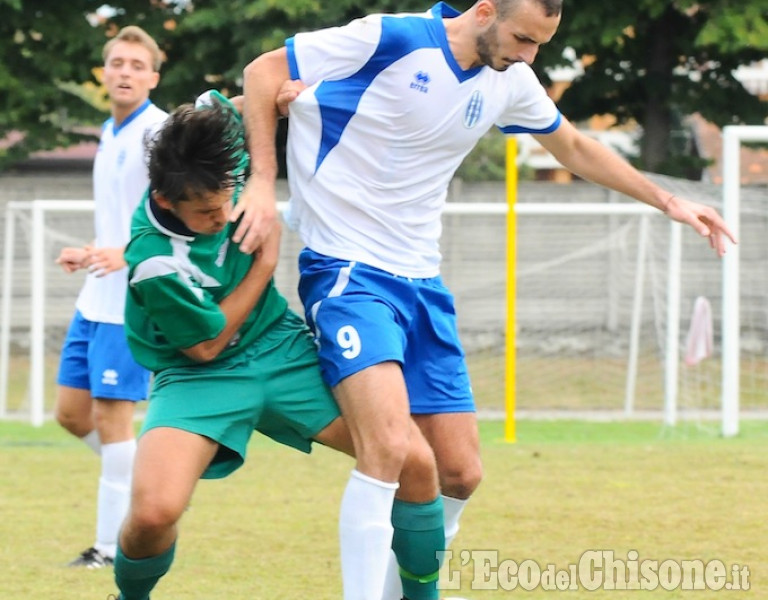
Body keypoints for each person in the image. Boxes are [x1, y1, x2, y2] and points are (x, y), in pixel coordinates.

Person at [236, 1, 738, 597]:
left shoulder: (511, 81)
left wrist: (668, 202)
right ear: (483, 12)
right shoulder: (392, 37)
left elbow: (573, 147)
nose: (529, 56)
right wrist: (264, 184)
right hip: (348, 272)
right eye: (523, 38)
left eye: (541, 45)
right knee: (390, 448)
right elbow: (264, 71)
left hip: (423, 283)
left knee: (460, 473)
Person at [110, 92, 444, 600]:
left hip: (280, 350)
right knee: (153, 513)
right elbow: (206, 346)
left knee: (414, 462)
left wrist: (290, 98)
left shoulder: (220, 148)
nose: (223, 216)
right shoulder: (153, 259)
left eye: (226, 200)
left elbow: (251, 98)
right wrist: (266, 265)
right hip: (200, 374)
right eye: (204, 212)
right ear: (163, 200)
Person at [54, 25, 168, 569]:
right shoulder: (109, 130)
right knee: (70, 415)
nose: (124, 71)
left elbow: (179, 218)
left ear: (153, 76)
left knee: (111, 419)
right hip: (93, 297)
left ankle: (107, 547)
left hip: (132, 303)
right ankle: (148, 484)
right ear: (105, 72)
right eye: (117, 62)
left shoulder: (160, 132)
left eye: (136, 64)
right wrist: (94, 250)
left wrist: (129, 252)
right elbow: (119, 221)